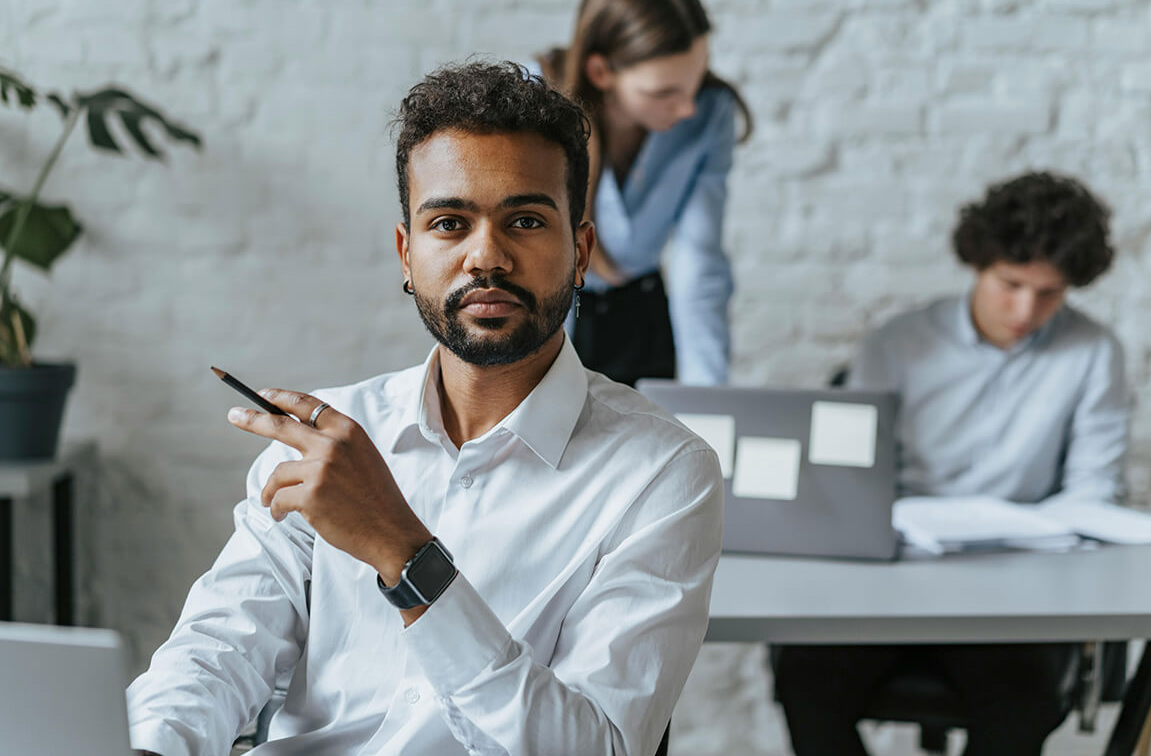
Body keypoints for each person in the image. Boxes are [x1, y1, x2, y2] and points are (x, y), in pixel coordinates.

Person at [126, 61, 723, 756]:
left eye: (525, 220)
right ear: (407, 255)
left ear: (581, 249)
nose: (486, 257)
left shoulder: (664, 474)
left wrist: (406, 556)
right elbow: (214, 654)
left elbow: (596, 747)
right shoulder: (323, 445)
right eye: (449, 223)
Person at [773, 171, 1131, 756]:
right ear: (978, 265)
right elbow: (849, 477)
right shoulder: (899, 341)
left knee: (1026, 702)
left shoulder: (1094, 353)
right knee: (805, 681)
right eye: (1010, 284)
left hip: (1010, 588)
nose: (1025, 309)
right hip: (891, 578)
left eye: (1049, 294)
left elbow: (1095, 490)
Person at [534, 0, 752, 387]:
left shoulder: (709, 114)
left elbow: (698, 261)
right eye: (664, 92)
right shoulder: (537, 102)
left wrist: (708, 408)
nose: (687, 108)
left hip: (646, 314)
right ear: (602, 72)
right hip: (552, 316)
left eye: (693, 82)